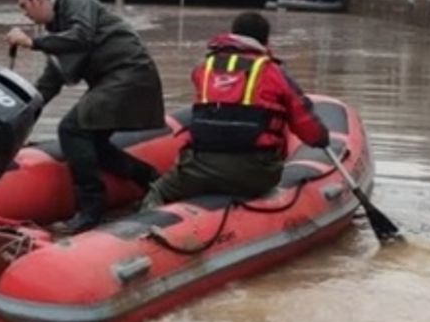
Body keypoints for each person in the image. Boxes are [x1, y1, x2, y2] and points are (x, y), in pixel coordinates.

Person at [6, 0, 164, 233]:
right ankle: (152, 180)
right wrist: (18, 117)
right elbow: (50, 82)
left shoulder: (75, 2)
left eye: (25, 7)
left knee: (72, 129)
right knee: (93, 143)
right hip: (113, 80)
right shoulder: (57, 30)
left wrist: (33, 43)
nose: (25, 16)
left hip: (129, 73)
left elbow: (81, 37)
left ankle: (90, 210)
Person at [141, 11, 330, 209]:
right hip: (256, 174)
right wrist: (322, 139)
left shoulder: (203, 68)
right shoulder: (274, 72)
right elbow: (306, 125)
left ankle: (142, 232)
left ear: (232, 34)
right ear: (265, 41)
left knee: (158, 191)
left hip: (199, 168)